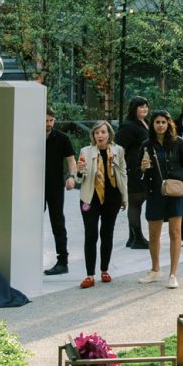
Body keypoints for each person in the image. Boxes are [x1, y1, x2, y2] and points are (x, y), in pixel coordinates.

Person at [77, 121, 130, 288]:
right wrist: (79, 171)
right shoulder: (85, 151)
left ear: (109, 134)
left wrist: (124, 196)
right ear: (93, 135)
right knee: (91, 234)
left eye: (103, 132)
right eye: (97, 133)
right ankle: (89, 274)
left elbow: (122, 174)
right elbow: (80, 178)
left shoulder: (118, 151)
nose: (100, 135)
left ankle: (105, 270)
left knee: (107, 233)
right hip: (90, 197)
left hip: (112, 197)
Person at [142, 111, 183, 288]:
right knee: (153, 235)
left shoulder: (177, 143)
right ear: (152, 125)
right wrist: (143, 168)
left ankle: (173, 274)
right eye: (157, 122)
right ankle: (155, 270)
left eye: (163, 122)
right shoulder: (146, 145)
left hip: (176, 193)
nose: (160, 125)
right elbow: (136, 174)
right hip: (155, 192)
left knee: (175, 233)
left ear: (168, 124)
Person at [43, 110, 77, 277]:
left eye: (51, 120)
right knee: (31, 223)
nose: (49, 124)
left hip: (55, 185)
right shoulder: (29, 136)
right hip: (33, 187)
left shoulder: (62, 138)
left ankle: (62, 261)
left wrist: (71, 177)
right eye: (46, 120)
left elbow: (71, 161)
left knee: (57, 222)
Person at [117, 97, 153, 251]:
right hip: (132, 168)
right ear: (134, 109)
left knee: (138, 199)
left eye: (146, 107)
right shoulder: (129, 126)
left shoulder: (144, 123)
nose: (144, 109)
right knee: (135, 201)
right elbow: (119, 148)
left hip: (142, 167)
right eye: (141, 107)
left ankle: (132, 237)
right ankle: (137, 238)